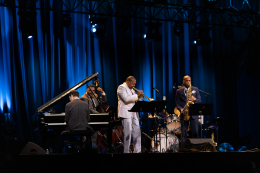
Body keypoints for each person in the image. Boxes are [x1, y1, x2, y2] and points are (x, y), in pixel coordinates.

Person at [117, 76, 143, 153]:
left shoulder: (131, 89)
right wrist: (136, 95)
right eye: (133, 84)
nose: (134, 85)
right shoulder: (121, 87)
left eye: (135, 84)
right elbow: (126, 99)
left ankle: (137, 151)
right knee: (127, 133)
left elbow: (134, 100)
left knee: (137, 131)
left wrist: (139, 97)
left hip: (134, 112)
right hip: (126, 113)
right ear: (128, 82)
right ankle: (126, 152)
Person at [175, 75, 201, 143]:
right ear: (183, 81)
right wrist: (180, 109)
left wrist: (194, 99)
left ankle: (195, 149)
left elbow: (199, 100)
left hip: (194, 114)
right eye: (187, 80)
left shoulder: (195, 89)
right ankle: (183, 150)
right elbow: (177, 103)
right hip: (184, 114)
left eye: (189, 80)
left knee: (195, 133)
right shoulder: (179, 91)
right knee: (183, 134)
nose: (188, 82)